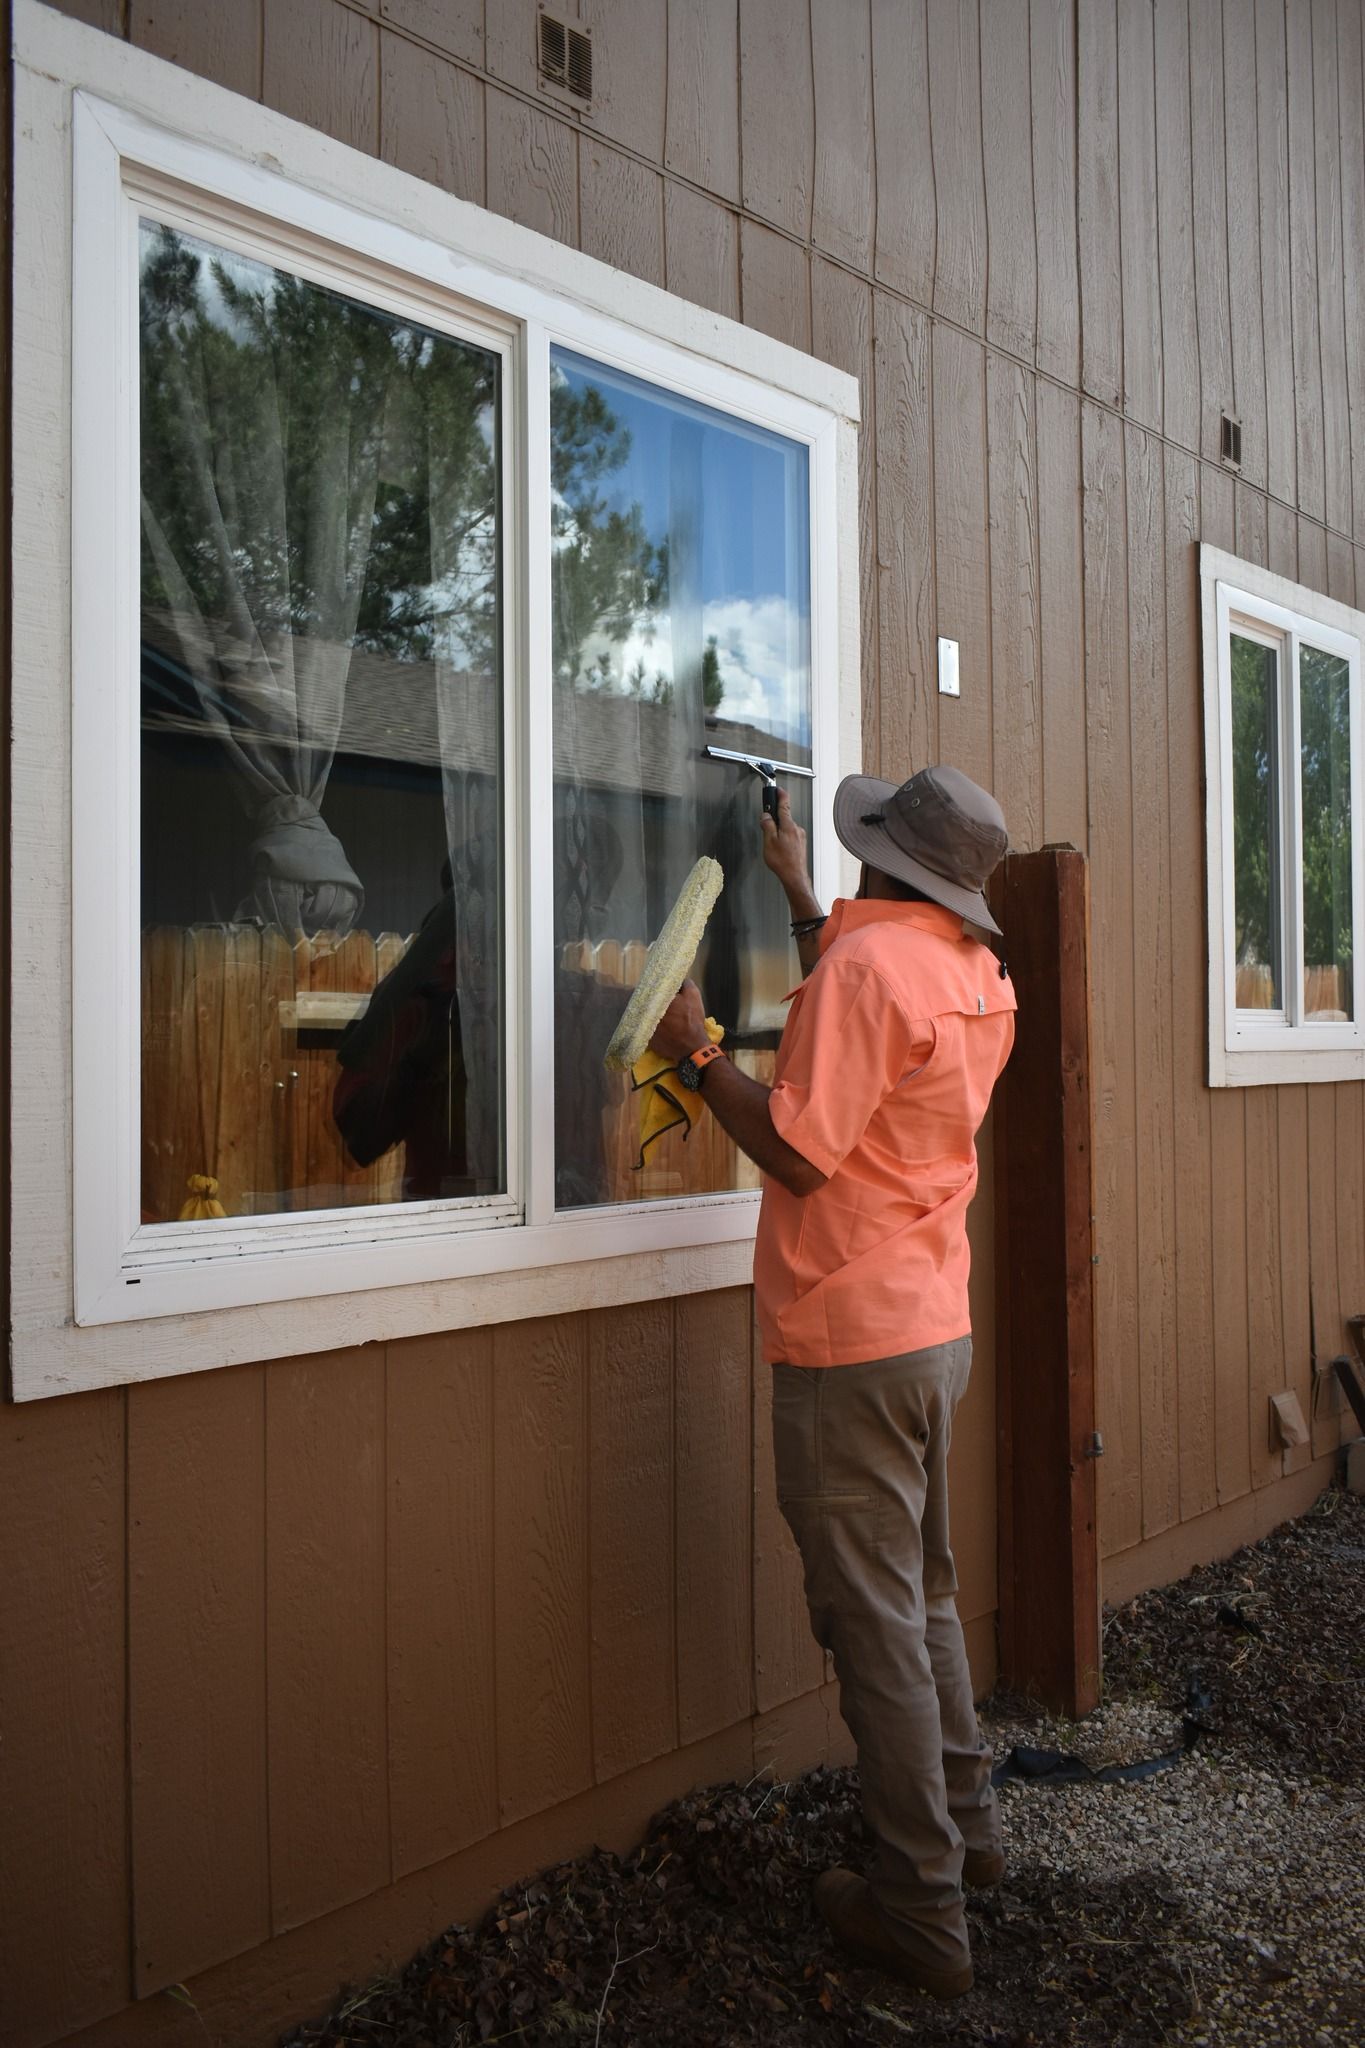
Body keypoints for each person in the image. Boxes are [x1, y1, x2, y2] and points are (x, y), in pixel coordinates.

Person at [648, 763, 1016, 1999]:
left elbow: (803, 1148)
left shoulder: (867, 971)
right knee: (927, 1598)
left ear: (885, 860)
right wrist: (798, 890)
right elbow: (865, 1016)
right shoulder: (972, 969)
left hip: (847, 1341)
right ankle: (967, 1843)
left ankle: (919, 1910)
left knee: (875, 1631)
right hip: (929, 1330)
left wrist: (697, 1054)